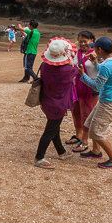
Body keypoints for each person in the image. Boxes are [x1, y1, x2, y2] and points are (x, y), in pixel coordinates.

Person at [75, 36, 112, 169]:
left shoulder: (106, 65)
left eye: (95, 48)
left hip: (109, 103)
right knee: (90, 124)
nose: (93, 50)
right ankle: (96, 151)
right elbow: (107, 73)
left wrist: (82, 75)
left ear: (100, 50)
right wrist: (96, 63)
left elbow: (96, 87)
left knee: (97, 132)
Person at [34, 38, 77, 169]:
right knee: (50, 130)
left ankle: (61, 151)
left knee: (54, 126)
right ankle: (39, 157)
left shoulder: (45, 66)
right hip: (58, 104)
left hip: (47, 101)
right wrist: (71, 63)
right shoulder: (67, 70)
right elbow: (75, 71)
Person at [68, 31, 98, 149]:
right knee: (75, 112)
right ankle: (78, 135)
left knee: (86, 114)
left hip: (90, 88)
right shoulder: (76, 53)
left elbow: (103, 70)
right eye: (80, 41)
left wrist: (96, 61)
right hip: (75, 88)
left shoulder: (97, 54)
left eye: (85, 41)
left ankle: (85, 140)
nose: (82, 44)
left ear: (92, 41)